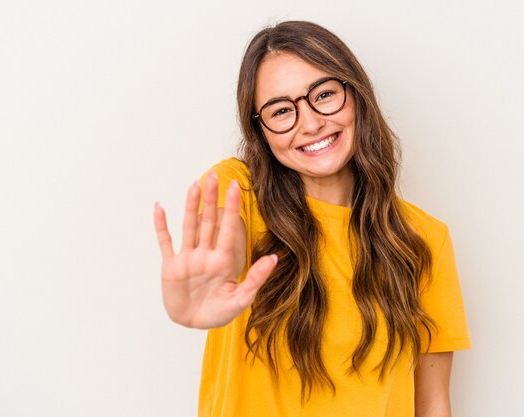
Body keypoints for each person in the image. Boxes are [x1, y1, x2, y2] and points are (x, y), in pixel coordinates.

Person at [153, 21, 470, 417]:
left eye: (324, 94)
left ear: (355, 96)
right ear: (261, 130)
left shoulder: (424, 238)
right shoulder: (239, 191)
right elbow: (226, 242)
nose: (311, 122)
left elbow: (432, 404)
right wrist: (218, 280)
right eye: (282, 110)